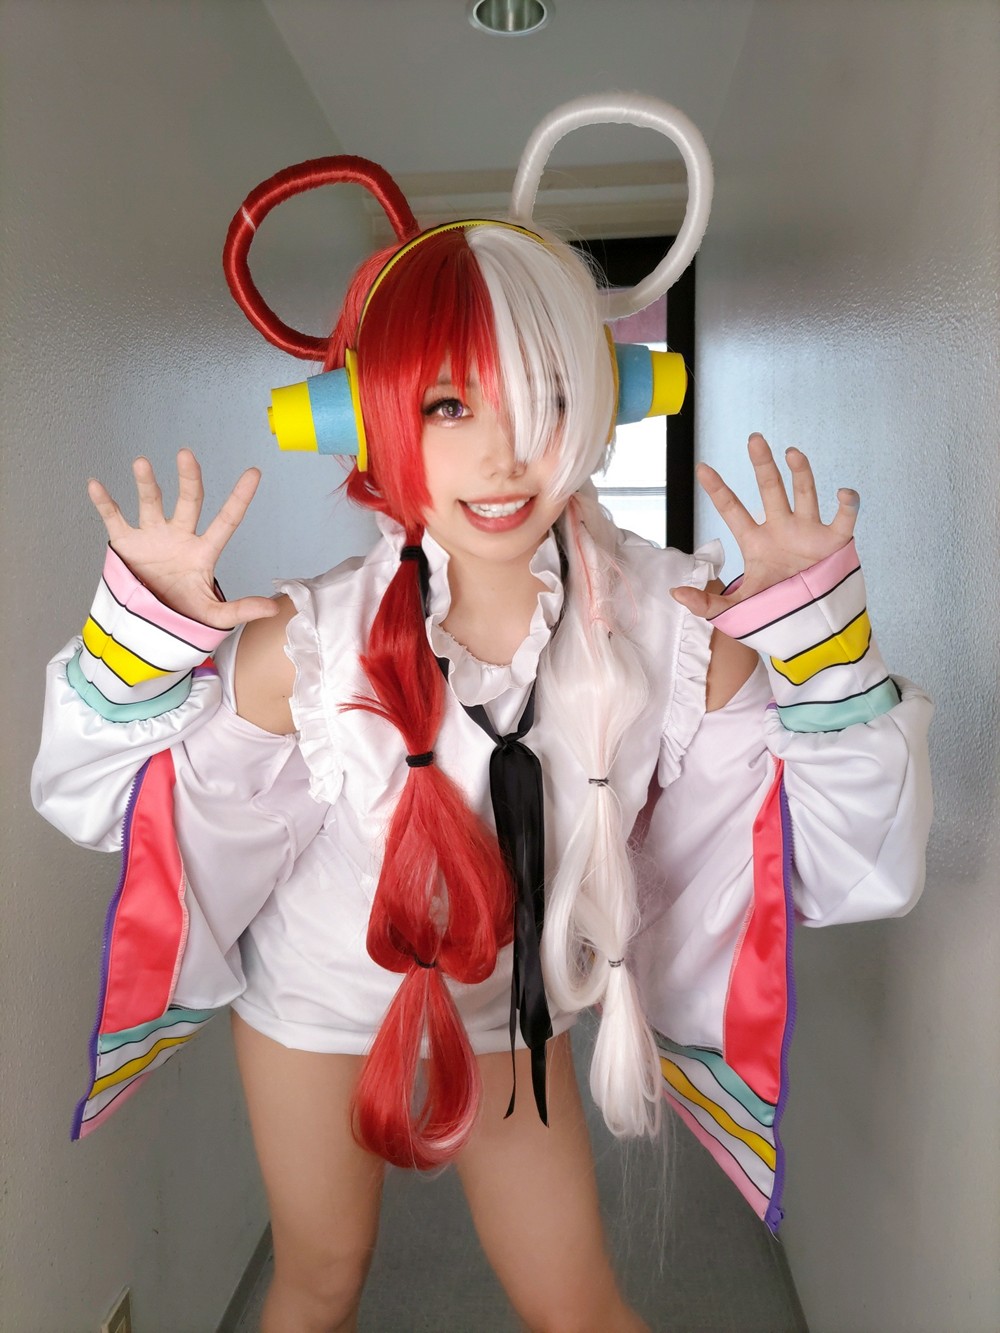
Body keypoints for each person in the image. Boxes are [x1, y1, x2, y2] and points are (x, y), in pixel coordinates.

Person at [32, 106, 932, 1333]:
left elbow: (833, 860)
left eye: (546, 395)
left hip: (514, 1008)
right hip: (317, 1007)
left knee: (581, 1308)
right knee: (320, 1280)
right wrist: (143, 638)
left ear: (604, 402)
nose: (505, 456)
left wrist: (817, 642)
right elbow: (110, 809)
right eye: (450, 404)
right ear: (371, 419)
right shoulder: (307, 645)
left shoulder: (673, 628)